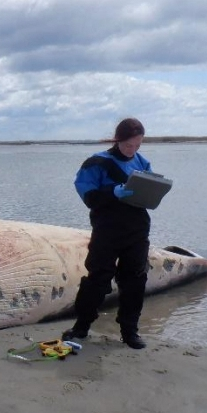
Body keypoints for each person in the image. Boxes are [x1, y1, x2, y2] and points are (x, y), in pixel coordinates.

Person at [62, 117, 153, 350]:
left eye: (137, 146)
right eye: (128, 145)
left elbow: (148, 197)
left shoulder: (143, 163)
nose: (132, 150)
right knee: (98, 279)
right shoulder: (97, 163)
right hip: (107, 229)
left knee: (135, 280)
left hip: (137, 229)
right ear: (118, 140)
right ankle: (81, 326)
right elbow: (89, 197)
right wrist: (114, 192)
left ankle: (129, 331)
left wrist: (153, 194)